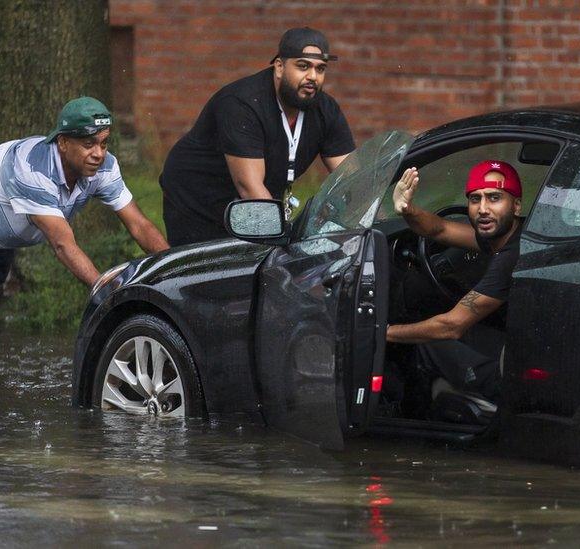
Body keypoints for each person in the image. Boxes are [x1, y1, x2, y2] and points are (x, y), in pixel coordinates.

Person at [0, 96, 169, 375]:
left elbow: (139, 225)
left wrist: (172, 270)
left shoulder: (103, 168)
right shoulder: (32, 171)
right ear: (62, 142)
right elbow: (61, 244)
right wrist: (105, 291)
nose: (98, 153)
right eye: (88, 144)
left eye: (104, 143)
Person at [159, 27, 355, 245]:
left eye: (320, 69)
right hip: (198, 199)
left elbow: (352, 177)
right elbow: (249, 188)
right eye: (303, 66)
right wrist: (285, 239)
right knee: (212, 270)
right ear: (279, 67)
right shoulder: (242, 104)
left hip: (253, 203)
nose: (312, 77)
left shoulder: (325, 110)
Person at [386, 160, 524, 403]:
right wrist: (407, 209)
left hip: (512, 371)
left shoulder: (511, 256)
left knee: (425, 342)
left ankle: (476, 404)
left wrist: (384, 332)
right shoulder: (503, 236)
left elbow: (451, 326)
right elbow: (438, 230)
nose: (483, 209)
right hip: (515, 345)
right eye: (475, 199)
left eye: (494, 198)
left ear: (516, 206)